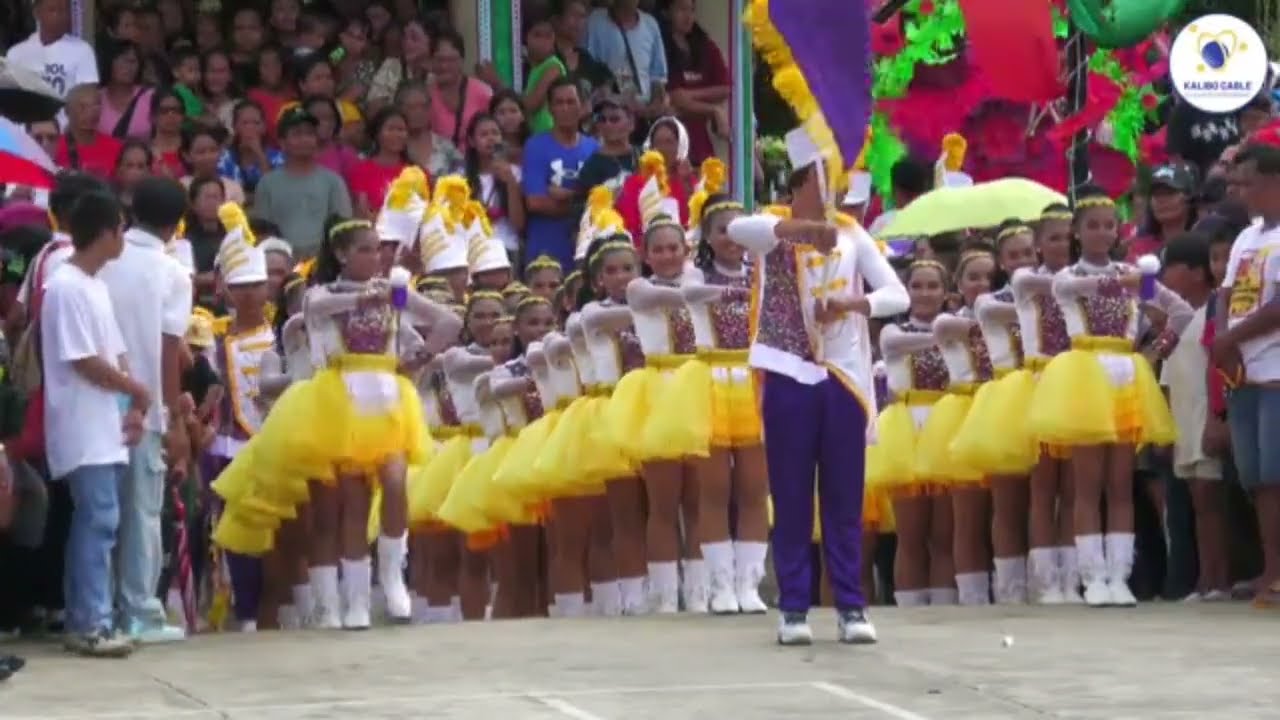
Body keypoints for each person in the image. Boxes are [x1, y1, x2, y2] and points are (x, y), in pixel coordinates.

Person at [726, 126, 908, 644]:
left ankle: (851, 607)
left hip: (843, 376)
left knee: (844, 495)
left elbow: (894, 293)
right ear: (805, 182)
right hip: (788, 370)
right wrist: (799, 231)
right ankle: (794, 610)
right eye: (827, 179)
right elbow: (740, 229)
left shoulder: (853, 233)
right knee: (791, 494)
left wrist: (855, 305)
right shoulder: (774, 227)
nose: (837, 192)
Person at [42, 190, 144, 657]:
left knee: (103, 521)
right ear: (105, 233)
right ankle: (90, 621)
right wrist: (134, 389)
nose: (122, 237)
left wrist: (132, 406)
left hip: (107, 422)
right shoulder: (65, 286)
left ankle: (88, 616)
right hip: (82, 424)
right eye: (120, 228)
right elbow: (83, 359)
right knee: (97, 520)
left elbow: (114, 351)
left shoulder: (95, 286)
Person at [97, 177, 193, 644]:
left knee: (100, 511)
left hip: (97, 399)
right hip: (145, 402)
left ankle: (105, 608)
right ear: (177, 222)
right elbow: (167, 351)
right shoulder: (171, 271)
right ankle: (139, 610)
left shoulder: (106, 258)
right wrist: (173, 419)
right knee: (141, 510)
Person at [1211, 140, 1280, 605]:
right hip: (1244, 371)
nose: (1242, 193)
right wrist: (1222, 337)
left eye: (1249, 184)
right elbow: (1227, 292)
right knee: (1256, 478)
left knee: (1277, 473)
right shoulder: (1246, 237)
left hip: (1276, 367)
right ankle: (1270, 569)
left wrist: (1232, 338)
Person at [1159, 231, 1230, 601]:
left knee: (1209, 497)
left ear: (1197, 273)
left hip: (1205, 415)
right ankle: (1205, 577)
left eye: (1171, 267)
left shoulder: (1215, 312)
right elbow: (1168, 376)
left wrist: (1217, 419)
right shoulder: (1179, 320)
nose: (1164, 275)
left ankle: (1218, 578)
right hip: (1183, 420)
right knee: (1195, 499)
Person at [253, 106, 353, 258]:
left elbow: (343, 229)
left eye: (309, 134)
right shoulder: (268, 184)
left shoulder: (333, 181)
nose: (305, 139)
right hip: (282, 262)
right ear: (282, 142)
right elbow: (263, 232)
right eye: (297, 134)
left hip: (324, 262)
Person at [522, 79, 599, 271]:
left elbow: (601, 205)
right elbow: (535, 202)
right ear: (550, 108)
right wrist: (583, 201)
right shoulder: (535, 146)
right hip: (545, 250)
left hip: (585, 251)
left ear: (581, 106)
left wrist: (567, 196)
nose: (565, 108)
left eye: (571, 102)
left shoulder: (594, 148)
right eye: (559, 102)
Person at [659, 0, 730, 166]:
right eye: (681, 9)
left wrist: (690, 94)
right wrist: (714, 110)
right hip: (671, 139)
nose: (688, 16)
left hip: (700, 142)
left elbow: (725, 88)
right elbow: (676, 99)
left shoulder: (705, 45)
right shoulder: (661, 45)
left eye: (691, 10)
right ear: (667, 12)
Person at [586, 0, 669, 142]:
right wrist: (624, 99)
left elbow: (657, 76)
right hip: (608, 118)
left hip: (644, 119)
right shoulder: (595, 21)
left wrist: (654, 105)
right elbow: (587, 68)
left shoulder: (650, 24)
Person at [6, 0, 97, 100]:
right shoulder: (16, 54)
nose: (60, 16)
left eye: (64, 10)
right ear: (36, 13)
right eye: (53, 10)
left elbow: (88, 100)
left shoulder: (83, 51)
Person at [56, 85, 125, 180]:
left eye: (96, 105)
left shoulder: (117, 147)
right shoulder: (55, 146)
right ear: (67, 111)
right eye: (82, 107)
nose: (91, 112)